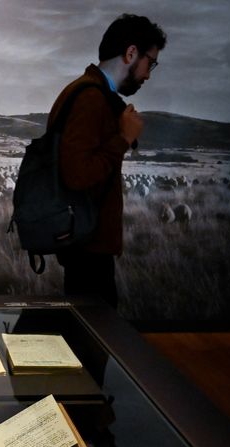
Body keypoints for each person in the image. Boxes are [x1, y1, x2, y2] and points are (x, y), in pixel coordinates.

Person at [50, 14, 166, 309]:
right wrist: (123, 139)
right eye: (149, 62)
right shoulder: (90, 99)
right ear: (130, 53)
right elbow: (77, 175)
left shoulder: (92, 94)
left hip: (87, 244)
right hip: (88, 251)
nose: (149, 74)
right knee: (93, 345)